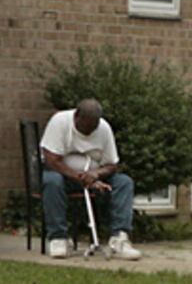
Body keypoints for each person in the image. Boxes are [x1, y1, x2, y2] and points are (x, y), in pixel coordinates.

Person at [40, 98, 142, 260]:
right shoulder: (60, 122)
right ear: (76, 116)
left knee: (124, 182)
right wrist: (79, 177)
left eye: (93, 127)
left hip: (94, 177)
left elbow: (111, 165)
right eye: (85, 127)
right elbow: (51, 160)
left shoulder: (104, 128)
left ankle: (120, 239)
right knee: (51, 181)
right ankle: (58, 238)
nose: (89, 131)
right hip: (64, 176)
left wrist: (95, 175)